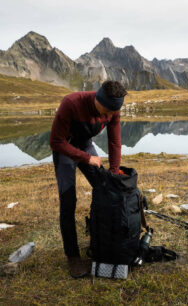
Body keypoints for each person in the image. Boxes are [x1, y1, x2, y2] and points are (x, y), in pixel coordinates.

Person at [49, 80, 127, 278]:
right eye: (107, 111)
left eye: (113, 113)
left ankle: (101, 237)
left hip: (85, 146)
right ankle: (73, 256)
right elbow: (55, 141)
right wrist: (86, 158)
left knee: (106, 188)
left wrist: (115, 170)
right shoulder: (71, 103)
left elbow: (114, 140)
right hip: (65, 149)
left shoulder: (113, 109)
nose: (109, 116)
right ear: (98, 99)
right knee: (68, 202)